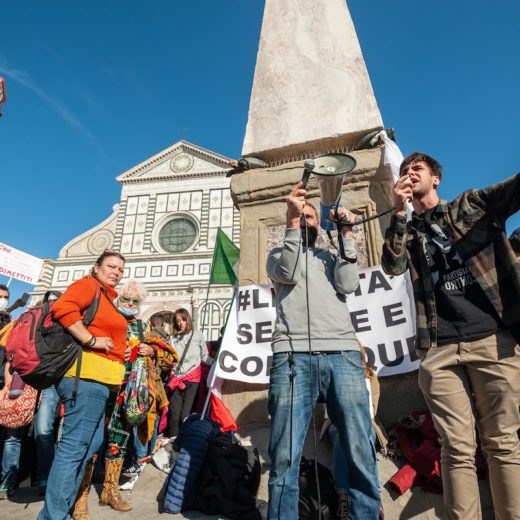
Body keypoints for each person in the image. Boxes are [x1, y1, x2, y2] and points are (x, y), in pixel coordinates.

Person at [381, 152, 520, 519]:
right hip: (439, 349)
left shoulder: (470, 204)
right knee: (455, 448)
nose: (410, 174)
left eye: (418, 169)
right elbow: (391, 264)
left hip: (492, 339)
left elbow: (514, 189)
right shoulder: (407, 231)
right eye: (405, 171)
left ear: (436, 179)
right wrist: (398, 210)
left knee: (502, 443)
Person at [266, 182, 381, 520]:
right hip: (292, 357)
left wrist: (346, 235)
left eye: (311, 217)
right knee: (285, 454)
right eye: (300, 216)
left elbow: (348, 283)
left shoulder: (331, 255)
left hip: (343, 355)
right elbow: (287, 271)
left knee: (360, 448)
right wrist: (290, 221)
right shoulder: (277, 255)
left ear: (320, 224)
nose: (306, 220)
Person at [37, 251, 128, 520]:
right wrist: (90, 340)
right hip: (86, 378)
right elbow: (63, 307)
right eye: (111, 266)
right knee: (74, 448)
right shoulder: (89, 285)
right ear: (96, 267)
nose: (116, 272)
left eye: (121, 269)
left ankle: (56, 511)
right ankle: (54, 516)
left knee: (89, 445)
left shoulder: (108, 298)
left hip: (101, 382)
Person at [165, 308, 209, 439]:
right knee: (174, 416)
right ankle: (172, 444)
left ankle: (186, 442)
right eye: (177, 320)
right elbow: (167, 358)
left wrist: (217, 362)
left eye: (182, 320)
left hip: (192, 380)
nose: (180, 323)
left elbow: (204, 356)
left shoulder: (198, 335)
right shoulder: (172, 338)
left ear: (187, 319)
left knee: (185, 416)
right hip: (176, 379)